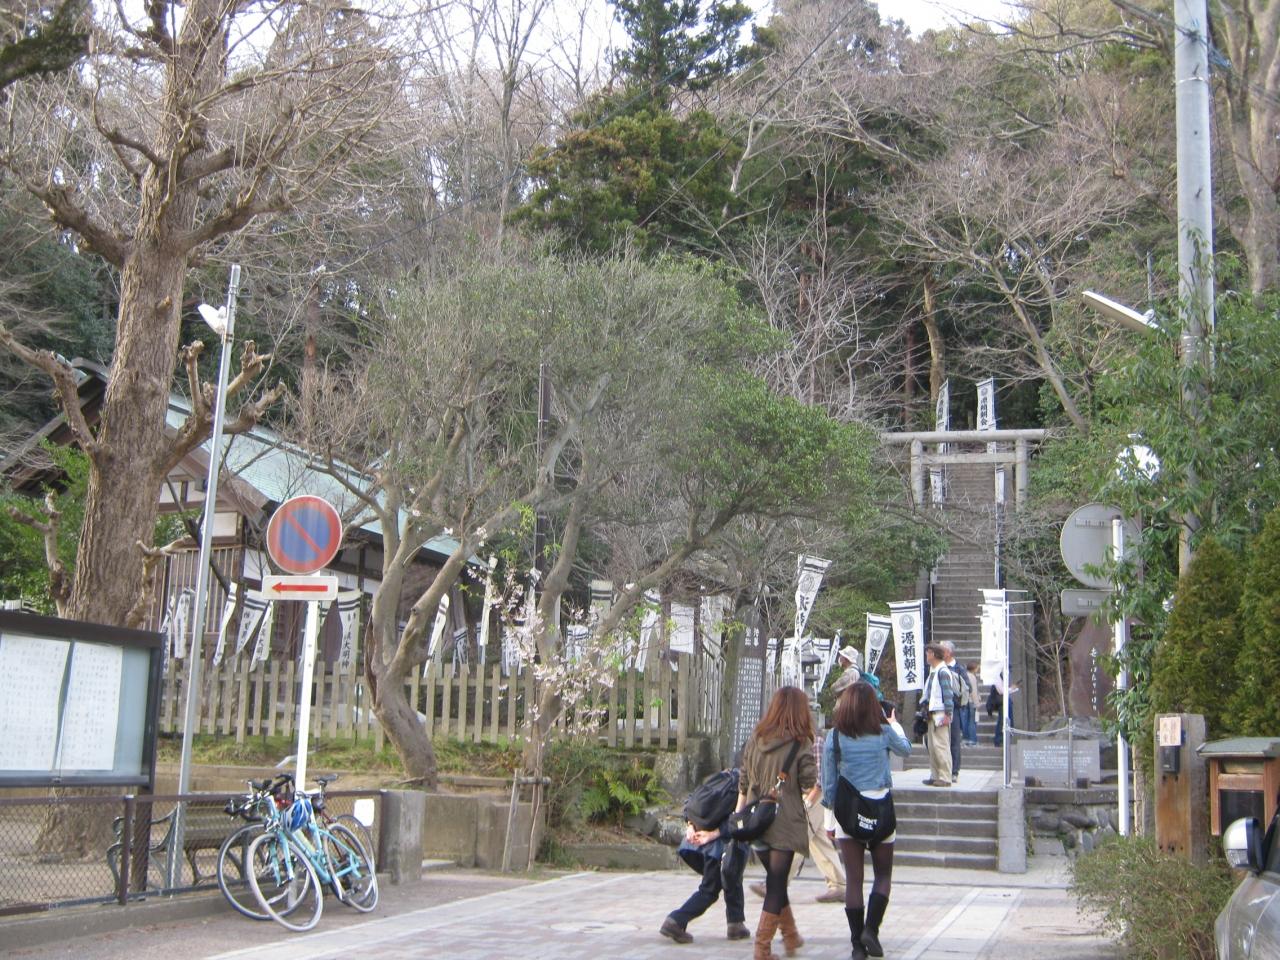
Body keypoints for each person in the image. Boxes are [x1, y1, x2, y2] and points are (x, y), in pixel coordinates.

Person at [705, 685, 816, 960]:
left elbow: (743, 780)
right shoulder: (801, 743)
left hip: (755, 821)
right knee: (776, 885)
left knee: (775, 881)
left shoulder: (756, 737)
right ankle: (762, 948)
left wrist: (738, 816)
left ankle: (791, 935)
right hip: (784, 823)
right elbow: (808, 782)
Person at [822, 681, 912, 960]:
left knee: (854, 881)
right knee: (883, 875)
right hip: (881, 811)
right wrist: (894, 724)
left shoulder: (835, 736)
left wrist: (829, 820)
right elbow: (906, 749)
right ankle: (871, 930)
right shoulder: (883, 732)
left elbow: (829, 783)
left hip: (849, 814)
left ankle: (857, 946)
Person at [660, 814, 749, 944]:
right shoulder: (735, 798)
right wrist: (716, 833)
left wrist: (690, 825)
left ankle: (736, 923)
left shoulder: (703, 798)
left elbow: (690, 806)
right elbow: (739, 816)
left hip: (701, 842)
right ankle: (675, 920)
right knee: (709, 890)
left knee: (733, 878)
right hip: (721, 845)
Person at [806, 720, 847, 904]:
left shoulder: (816, 742)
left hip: (815, 796)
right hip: (808, 796)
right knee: (819, 841)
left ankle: (774, 882)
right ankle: (838, 884)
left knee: (797, 839)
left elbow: (821, 777)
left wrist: (810, 799)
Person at [921, 644, 953, 787]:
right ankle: (935, 775)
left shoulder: (942, 672)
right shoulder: (934, 671)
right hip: (932, 712)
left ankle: (945, 777)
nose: (926, 655)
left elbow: (948, 694)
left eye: (928, 652)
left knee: (941, 745)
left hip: (940, 712)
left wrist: (948, 713)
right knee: (933, 746)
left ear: (933, 654)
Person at [940, 641, 965, 782]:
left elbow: (966, 688)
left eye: (942, 649)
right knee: (940, 741)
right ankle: (941, 770)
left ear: (948, 652)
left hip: (954, 708)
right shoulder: (938, 667)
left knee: (954, 740)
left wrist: (954, 698)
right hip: (939, 708)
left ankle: (954, 770)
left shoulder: (959, 668)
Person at [963, 663, 981, 746]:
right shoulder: (972, 677)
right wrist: (977, 704)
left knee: (965, 721)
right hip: (971, 701)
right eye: (977, 668)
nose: (978, 670)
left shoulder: (964, 675)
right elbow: (973, 691)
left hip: (964, 700)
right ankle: (972, 739)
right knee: (972, 721)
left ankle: (965, 739)